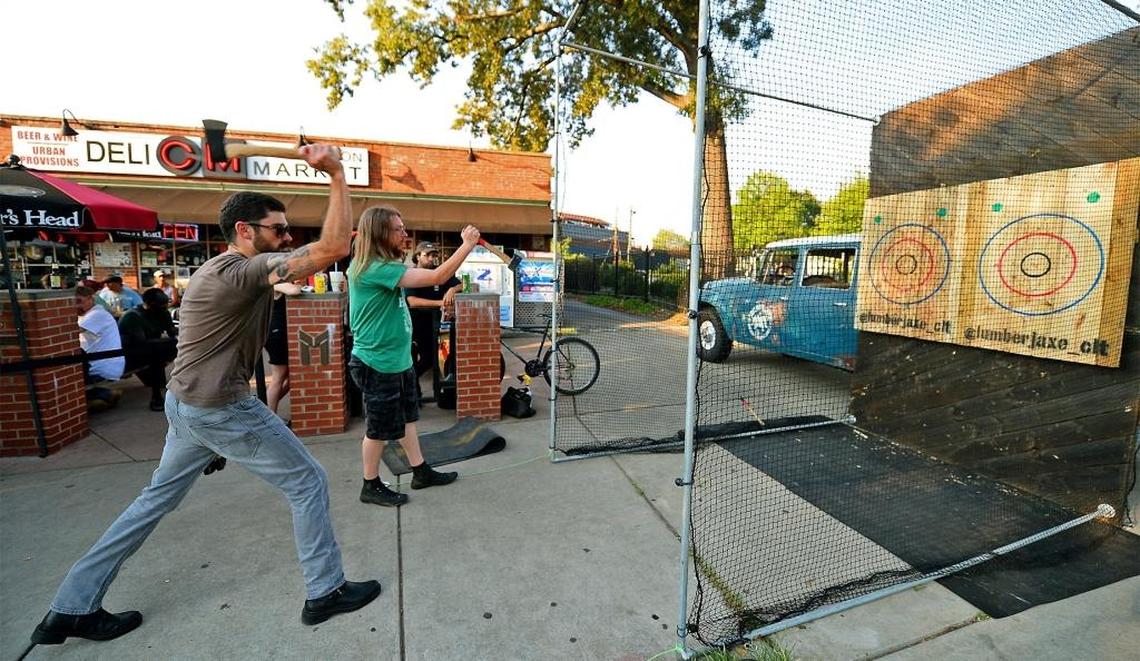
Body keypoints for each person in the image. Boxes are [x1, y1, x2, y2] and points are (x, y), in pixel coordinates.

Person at [29, 144, 380, 651]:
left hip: (187, 406)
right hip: (219, 408)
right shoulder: (239, 271)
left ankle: (70, 607)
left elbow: (296, 274)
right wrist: (337, 176)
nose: (286, 238)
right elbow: (328, 252)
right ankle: (325, 592)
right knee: (307, 481)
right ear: (244, 230)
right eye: (278, 230)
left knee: (152, 502)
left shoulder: (217, 273)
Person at [348, 205, 480, 507]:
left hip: (398, 360)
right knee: (379, 429)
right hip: (376, 363)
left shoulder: (383, 265)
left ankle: (420, 471)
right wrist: (467, 244)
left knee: (407, 419)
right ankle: (369, 484)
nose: (405, 233)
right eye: (398, 228)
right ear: (380, 233)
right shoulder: (373, 268)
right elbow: (439, 274)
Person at [404, 241, 462, 403]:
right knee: (422, 359)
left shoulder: (441, 274)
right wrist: (442, 303)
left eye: (434, 255)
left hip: (441, 324)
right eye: (427, 255)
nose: (431, 258)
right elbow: (413, 301)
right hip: (417, 325)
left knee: (442, 359)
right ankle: (412, 391)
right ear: (417, 257)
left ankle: (443, 394)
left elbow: (463, 283)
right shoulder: (412, 274)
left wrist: (452, 289)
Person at [118, 287, 178, 412]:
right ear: (150, 305)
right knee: (156, 353)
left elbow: (172, 332)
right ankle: (156, 397)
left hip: (151, 349)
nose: (164, 308)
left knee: (174, 347)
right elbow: (142, 342)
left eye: (165, 305)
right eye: (161, 306)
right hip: (129, 355)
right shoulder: (132, 316)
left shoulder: (162, 312)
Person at [76, 285, 125, 412]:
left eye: (79, 302)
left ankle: (100, 396)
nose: (75, 306)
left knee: (65, 374)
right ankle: (105, 395)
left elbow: (70, 332)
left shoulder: (97, 314)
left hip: (102, 365)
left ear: (90, 299)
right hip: (98, 361)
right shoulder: (85, 315)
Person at [265, 281, 304, 417]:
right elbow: (294, 291)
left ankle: (267, 410)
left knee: (289, 377)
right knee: (279, 376)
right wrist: (297, 286)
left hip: (279, 332)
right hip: (275, 333)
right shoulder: (273, 283)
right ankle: (269, 416)